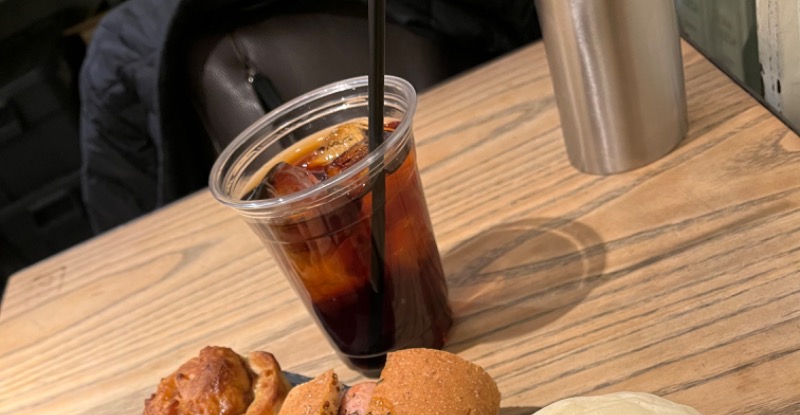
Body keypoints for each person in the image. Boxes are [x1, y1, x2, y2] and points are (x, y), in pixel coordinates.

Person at [78, 0, 540, 233]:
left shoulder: (121, 44)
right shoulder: (123, 48)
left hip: (478, 193)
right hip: (493, 170)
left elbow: (127, 236)